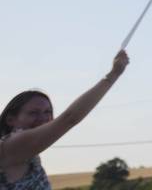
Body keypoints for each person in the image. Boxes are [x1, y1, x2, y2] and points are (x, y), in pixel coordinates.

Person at [0, 50, 129, 190]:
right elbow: (69, 118)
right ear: (11, 120)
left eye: (47, 112)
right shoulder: (10, 146)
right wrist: (113, 75)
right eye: (33, 113)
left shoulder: (32, 159)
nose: (43, 119)